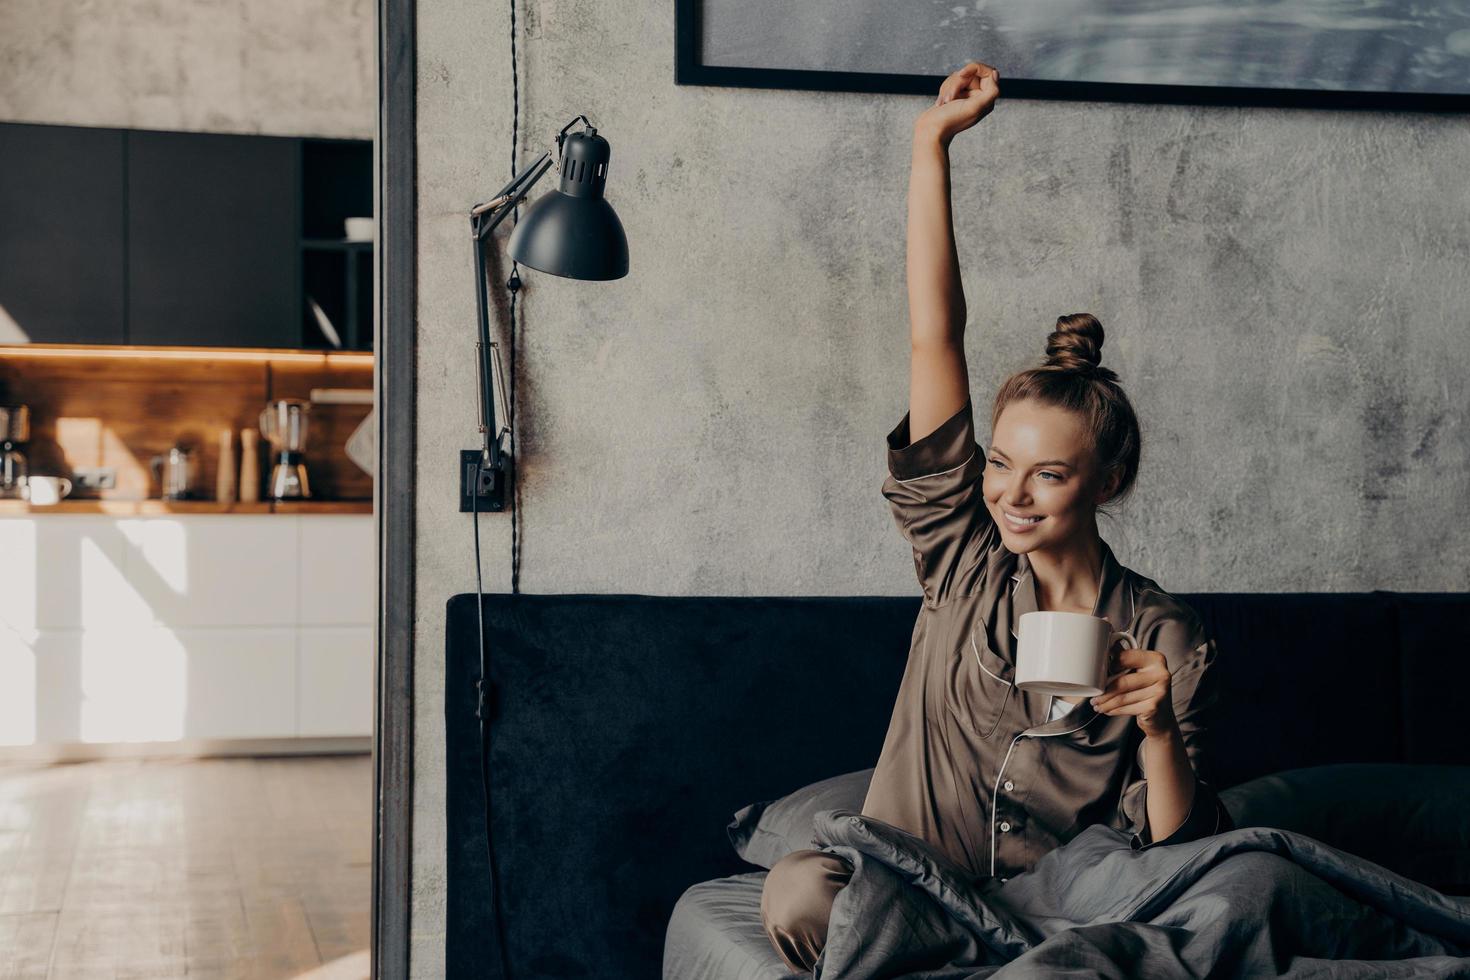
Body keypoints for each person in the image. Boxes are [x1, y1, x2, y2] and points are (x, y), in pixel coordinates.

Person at [759, 61, 1234, 975]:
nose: (1010, 494)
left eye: (1048, 474)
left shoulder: (1166, 633)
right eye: (1001, 465)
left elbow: (1177, 846)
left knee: (1217, 901)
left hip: (1060, 900)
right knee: (800, 891)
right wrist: (929, 144)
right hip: (907, 881)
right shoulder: (960, 556)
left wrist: (1159, 732)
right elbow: (934, 334)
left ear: (1107, 481)